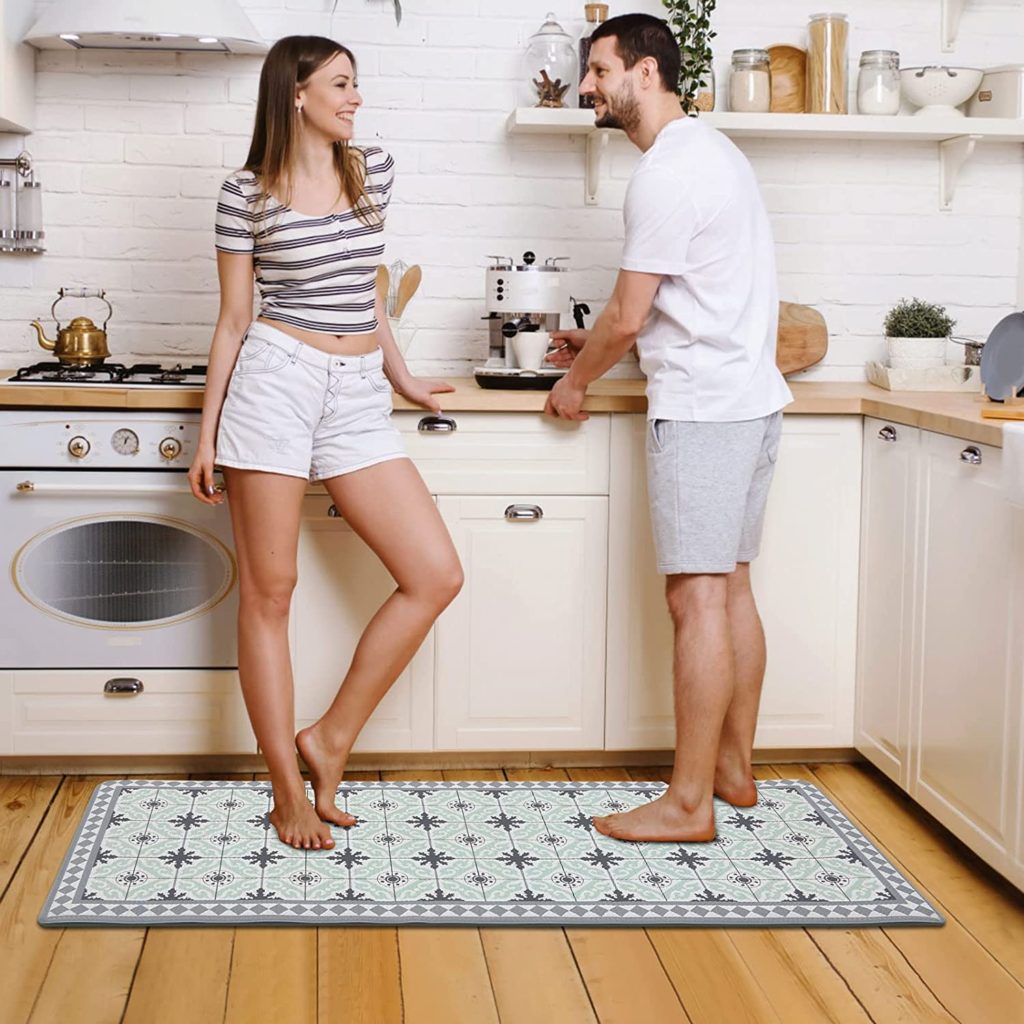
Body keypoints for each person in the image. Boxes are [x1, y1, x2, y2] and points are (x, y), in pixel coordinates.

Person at [188, 35, 463, 851]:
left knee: (435, 574)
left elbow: (367, 292)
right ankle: (285, 790)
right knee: (270, 595)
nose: (356, 98)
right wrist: (208, 435)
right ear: (296, 94)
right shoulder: (244, 194)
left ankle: (330, 736)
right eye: (342, 85)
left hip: (354, 396)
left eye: (357, 84)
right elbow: (235, 319)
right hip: (273, 384)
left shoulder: (369, 170)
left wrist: (401, 375)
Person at [545, 14, 793, 842]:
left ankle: (687, 806)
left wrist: (575, 383)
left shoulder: (664, 175)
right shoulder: (713, 153)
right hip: (750, 401)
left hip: (703, 410)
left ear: (644, 73)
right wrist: (614, 338)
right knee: (730, 590)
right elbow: (679, 303)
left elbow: (628, 310)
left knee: (694, 601)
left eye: (598, 70)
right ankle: (730, 770)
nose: (588, 86)